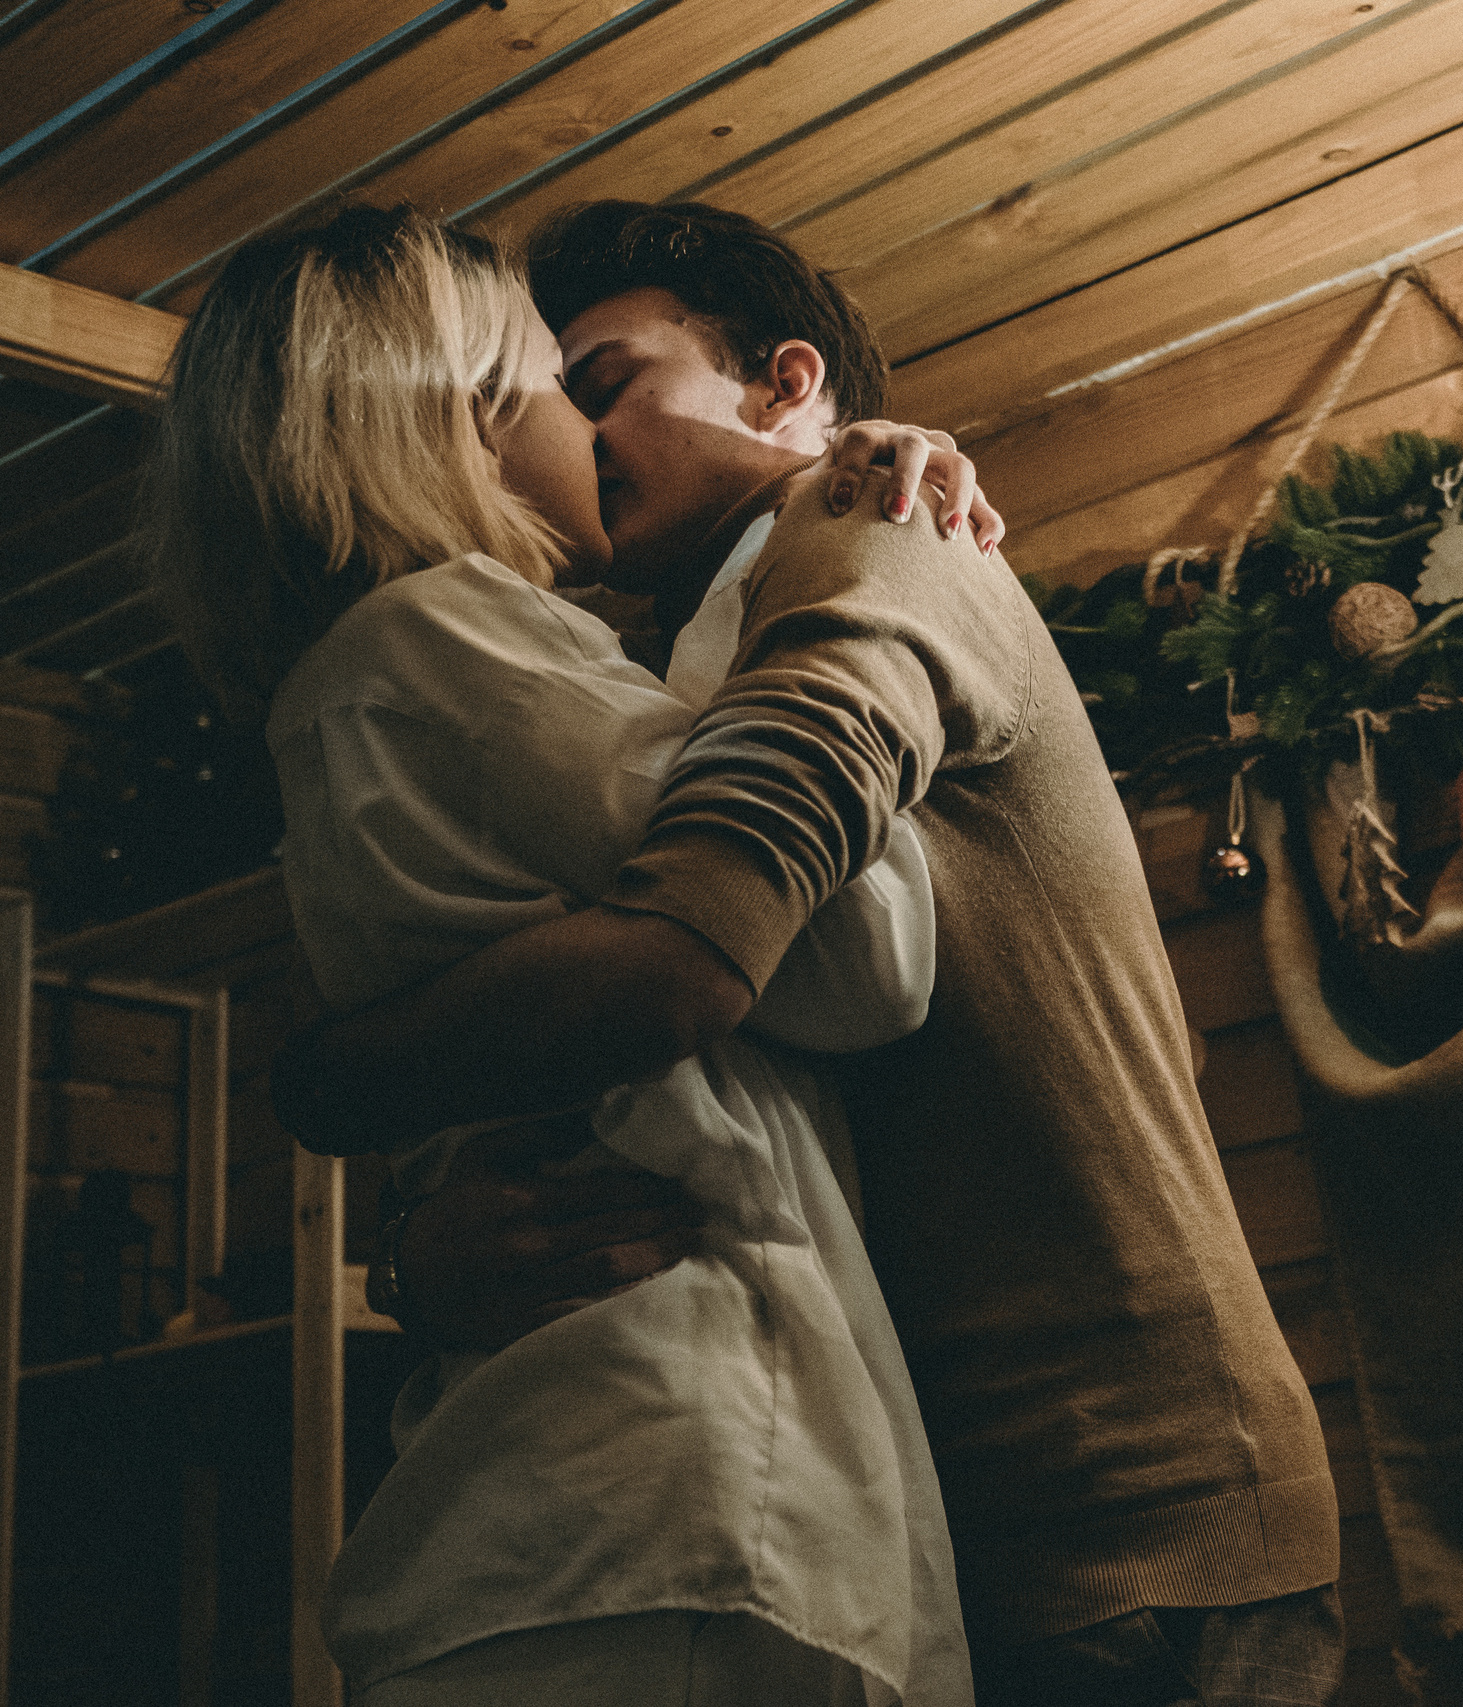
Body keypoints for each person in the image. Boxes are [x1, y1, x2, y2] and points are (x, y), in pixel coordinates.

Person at [275, 201, 1347, 1707]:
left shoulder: (871, 529)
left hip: (1116, 1491)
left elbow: (697, 954)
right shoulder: (663, 672)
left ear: (786, 387)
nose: (574, 437)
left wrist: (333, 1079)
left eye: (606, 384)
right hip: (927, 1513)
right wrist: (423, 1241)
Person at [144, 204, 981, 1705]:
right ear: (456, 413)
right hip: (671, 1470)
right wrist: (799, 580)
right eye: (556, 386)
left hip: (581, 1490)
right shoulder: (451, 639)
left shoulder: (348, 696)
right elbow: (868, 955)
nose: (589, 436)